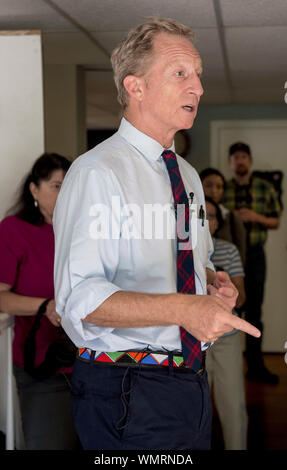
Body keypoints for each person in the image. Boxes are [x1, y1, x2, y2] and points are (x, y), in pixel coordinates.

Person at [53, 18, 260, 451]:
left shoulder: (186, 175)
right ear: (136, 86)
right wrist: (185, 308)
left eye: (198, 74)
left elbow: (192, 261)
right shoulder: (96, 172)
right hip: (126, 386)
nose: (198, 88)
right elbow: (80, 301)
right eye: (180, 73)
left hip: (189, 378)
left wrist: (210, 288)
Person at [0, 153, 79, 450]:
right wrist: (45, 306)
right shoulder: (14, 229)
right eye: (56, 186)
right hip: (43, 368)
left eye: (68, 185)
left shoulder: (82, 230)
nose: (64, 192)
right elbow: (2, 298)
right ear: (34, 189)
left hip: (91, 364)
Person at [223, 142, 281, 384]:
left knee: (255, 311)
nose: (240, 161)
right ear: (231, 162)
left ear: (250, 160)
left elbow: (275, 221)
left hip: (256, 255)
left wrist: (255, 217)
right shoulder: (223, 189)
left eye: (244, 156)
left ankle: (256, 367)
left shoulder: (264, 188)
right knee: (228, 307)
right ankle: (228, 368)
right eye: (235, 157)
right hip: (228, 255)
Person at [204, 197, 248, 450]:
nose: (206, 221)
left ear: (218, 223)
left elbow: (241, 296)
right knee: (193, 407)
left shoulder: (228, 250)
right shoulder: (179, 250)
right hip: (192, 339)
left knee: (232, 405)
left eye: (211, 216)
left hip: (226, 339)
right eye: (201, 215)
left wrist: (228, 290)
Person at [200, 167, 246, 266]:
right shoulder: (187, 213)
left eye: (219, 187)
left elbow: (241, 253)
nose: (214, 191)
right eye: (208, 185)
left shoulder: (232, 218)